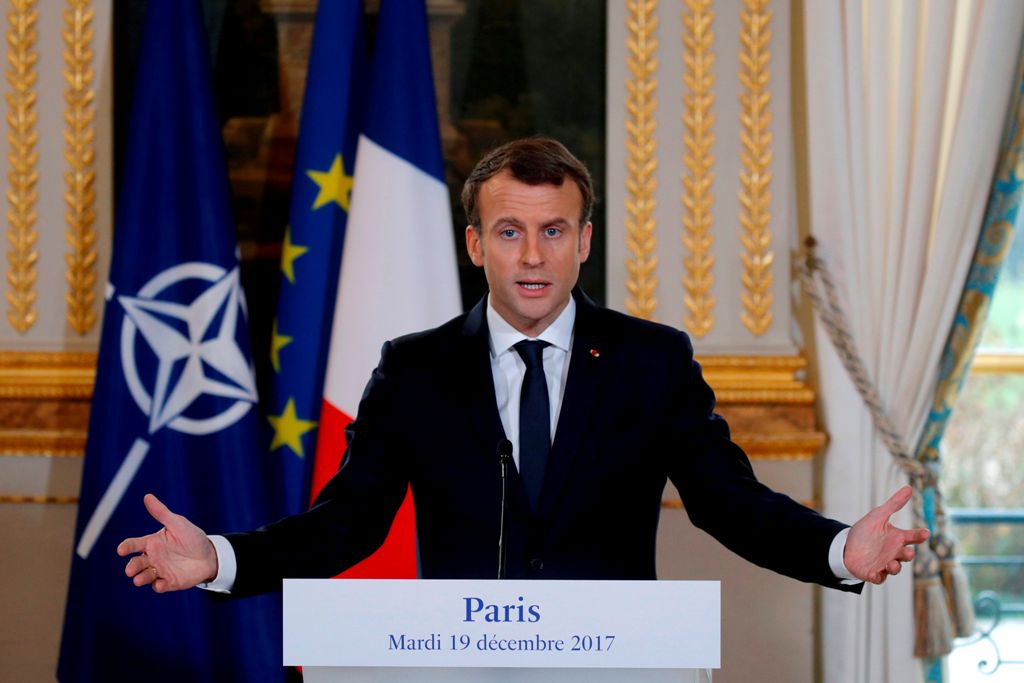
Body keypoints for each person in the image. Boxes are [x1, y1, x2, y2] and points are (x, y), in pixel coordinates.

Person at [118, 137, 927, 595]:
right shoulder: (416, 369)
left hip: (614, 671)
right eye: (509, 231)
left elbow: (729, 501)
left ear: (583, 242)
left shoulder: (652, 361)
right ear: (475, 245)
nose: (532, 256)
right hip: (457, 669)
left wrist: (835, 549)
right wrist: (221, 557)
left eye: (553, 231)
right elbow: (346, 525)